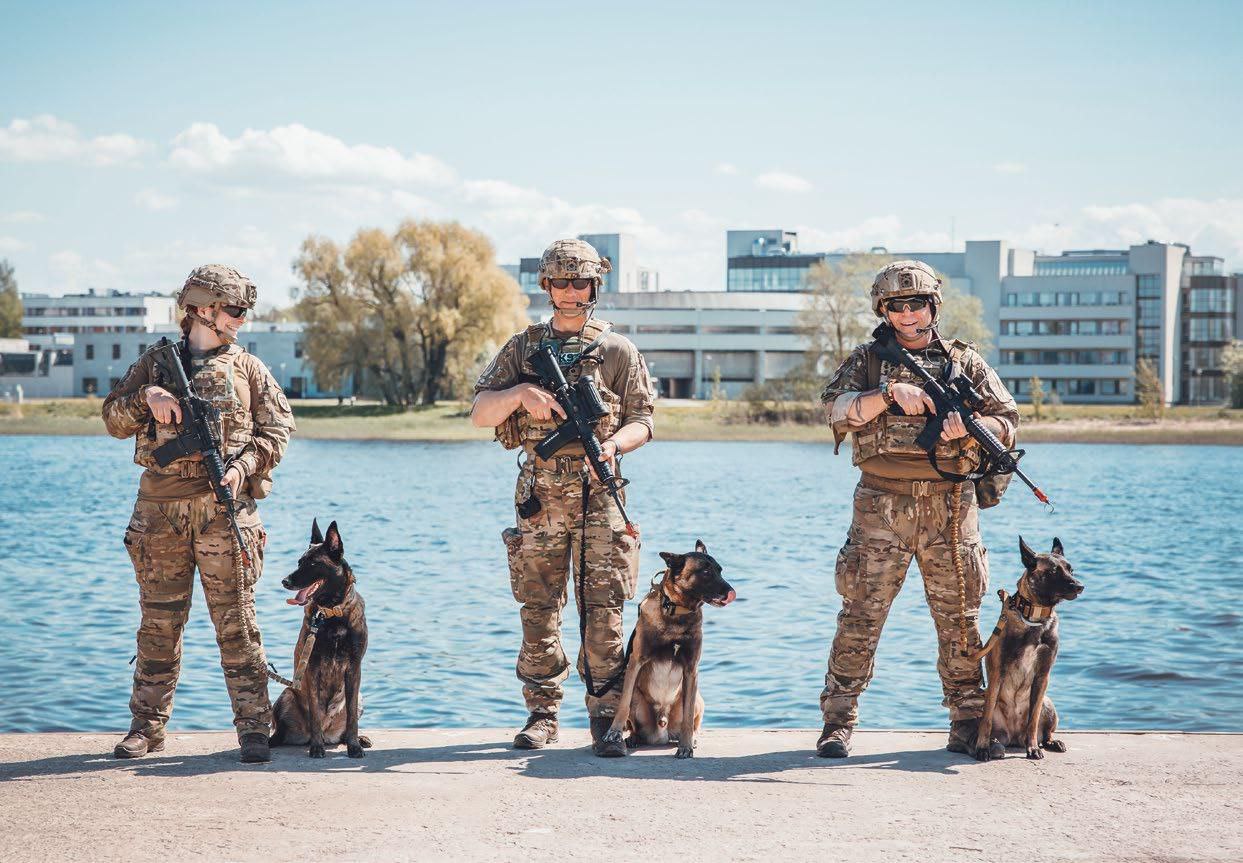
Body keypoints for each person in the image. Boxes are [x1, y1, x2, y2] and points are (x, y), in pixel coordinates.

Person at [816, 260, 1019, 759]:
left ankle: (969, 719)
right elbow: (835, 408)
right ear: (883, 311)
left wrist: (972, 428)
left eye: (917, 304)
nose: (908, 315)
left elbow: (1009, 423)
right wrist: (885, 395)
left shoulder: (964, 362)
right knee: (860, 614)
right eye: (896, 306)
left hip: (951, 507)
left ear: (933, 306)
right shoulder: (867, 360)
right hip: (880, 506)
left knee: (961, 618)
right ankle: (838, 722)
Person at [103, 265, 295, 763]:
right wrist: (149, 397)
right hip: (160, 514)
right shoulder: (157, 364)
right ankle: (145, 729)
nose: (241, 321)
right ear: (203, 309)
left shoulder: (250, 369)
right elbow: (111, 418)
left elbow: (277, 432)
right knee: (159, 625)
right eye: (234, 310)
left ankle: (255, 730)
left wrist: (242, 467)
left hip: (224, 513)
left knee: (237, 623)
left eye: (244, 312)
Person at [471, 238, 654, 757]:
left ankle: (606, 717)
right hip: (542, 495)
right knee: (539, 608)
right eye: (561, 282)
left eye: (581, 282)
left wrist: (614, 446)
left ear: (594, 286)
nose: (571, 292)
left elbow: (644, 419)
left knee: (606, 610)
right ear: (547, 286)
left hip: (601, 491)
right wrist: (520, 395)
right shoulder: (524, 348)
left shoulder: (618, 350)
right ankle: (542, 714)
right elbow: (481, 411)